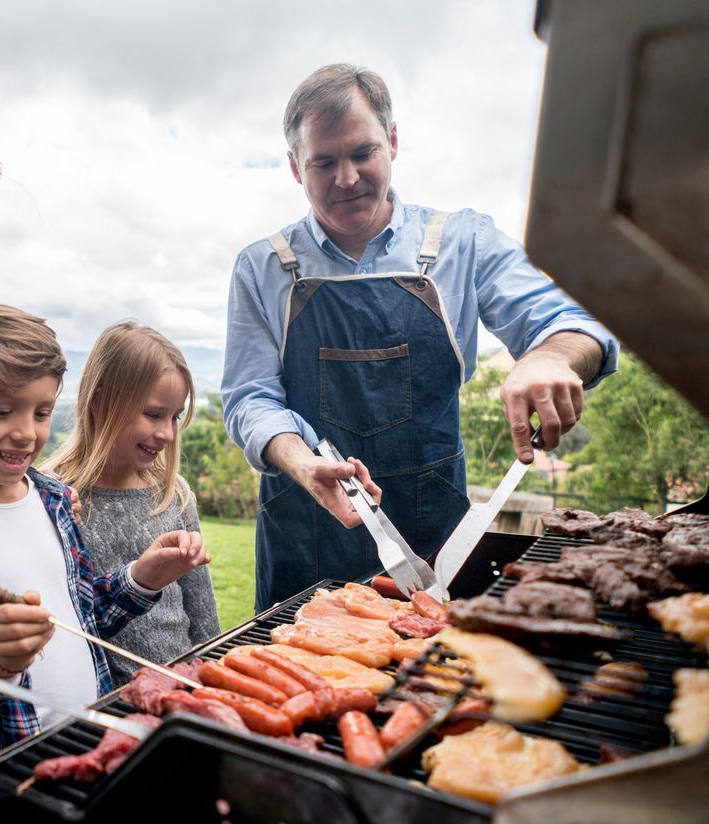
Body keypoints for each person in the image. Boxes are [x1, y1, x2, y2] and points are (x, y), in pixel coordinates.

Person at [221, 64, 619, 610]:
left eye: (362, 153)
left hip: (436, 532)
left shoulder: (464, 241)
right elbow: (250, 398)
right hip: (303, 528)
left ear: (393, 141)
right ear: (295, 167)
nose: (346, 178)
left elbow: (573, 326)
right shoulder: (262, 266)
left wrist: (550, 357)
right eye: (324, 162)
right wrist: (300, 460)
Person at [0, 303, 211, 813]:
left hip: (87, 746)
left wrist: (142, 577)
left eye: (41, 412)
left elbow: (86, 620)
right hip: (4, 776)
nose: (26, 432)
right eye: (2, 411)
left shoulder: (52, 499)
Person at [45, 320, 220, 683]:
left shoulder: (174, 494)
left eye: (174, 417)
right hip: (105, 703)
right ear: (99, 402)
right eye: (153, 414)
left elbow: (202, 612)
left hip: (182, 688)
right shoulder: (56, 496)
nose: (167, 433)